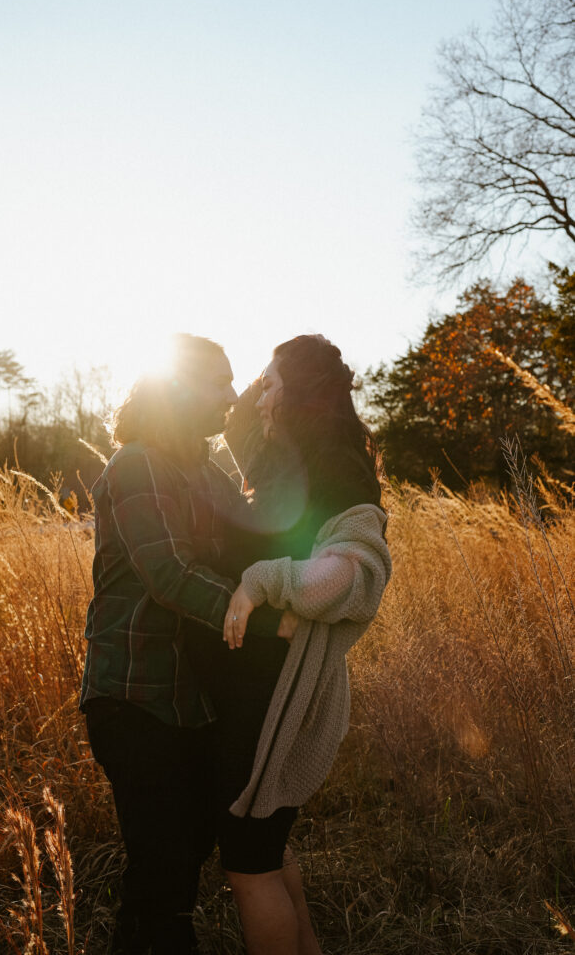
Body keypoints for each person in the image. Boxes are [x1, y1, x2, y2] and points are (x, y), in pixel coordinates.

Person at [79, 334, 287, 955]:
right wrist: (275, 621)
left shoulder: (203, 467)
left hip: (190, 699)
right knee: (162, 872)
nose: (230, 394)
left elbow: (252, 535)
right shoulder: (139, 462)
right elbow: (170, 575)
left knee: (180, 861)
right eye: (219, 382)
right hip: (135, 695)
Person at [186, 334, 392, 955]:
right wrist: (272, 379)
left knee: (249, 867)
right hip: (256, 687)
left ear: (298, 398)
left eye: (272, 384)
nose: (259, 394)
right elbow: (243, 416)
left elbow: (353, 572)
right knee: (268, 854)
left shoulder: (333, 472)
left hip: (271, 695)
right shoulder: (282, 466)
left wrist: (261, 581)